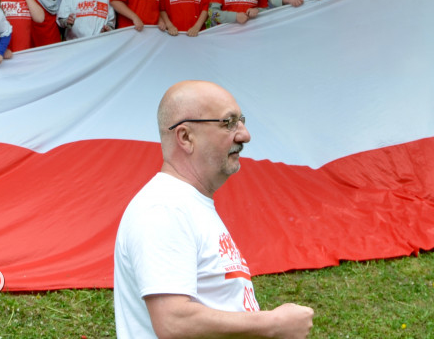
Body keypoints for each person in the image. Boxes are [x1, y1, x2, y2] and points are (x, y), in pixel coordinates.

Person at [113, 80, 314, 338]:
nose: (244, 134)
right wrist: (272, 324)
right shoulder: (164, 209)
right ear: (185, 137)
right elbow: (173, 322)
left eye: (240, 120)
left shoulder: (185, 204)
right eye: (229, 123)